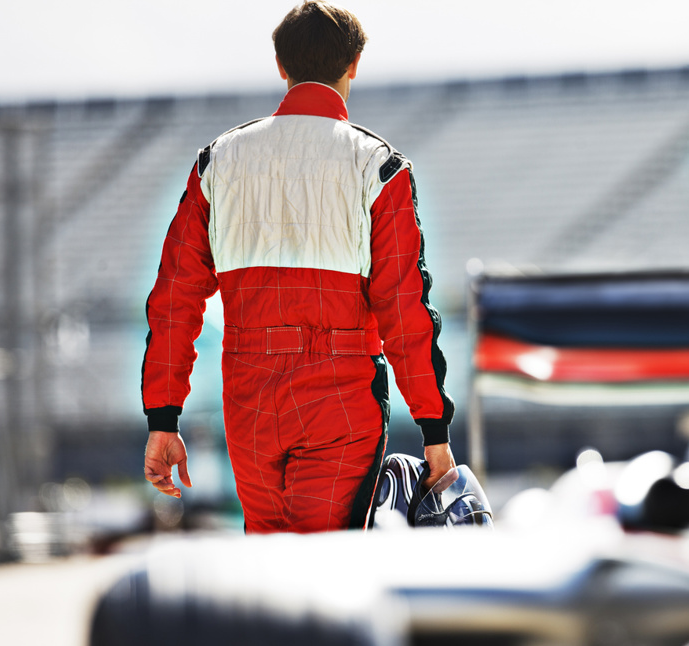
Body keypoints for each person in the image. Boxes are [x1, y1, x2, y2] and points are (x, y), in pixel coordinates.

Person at [141, 0, 455, 534]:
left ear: (281, 67)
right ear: (354, 64)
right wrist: (434, 430)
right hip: (341, 397)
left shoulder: (217, 161)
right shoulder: (378, 166)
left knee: (271, 573)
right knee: (325, 572)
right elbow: (404, 309)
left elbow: (176, 295)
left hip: (249, 396)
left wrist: (163, 419)